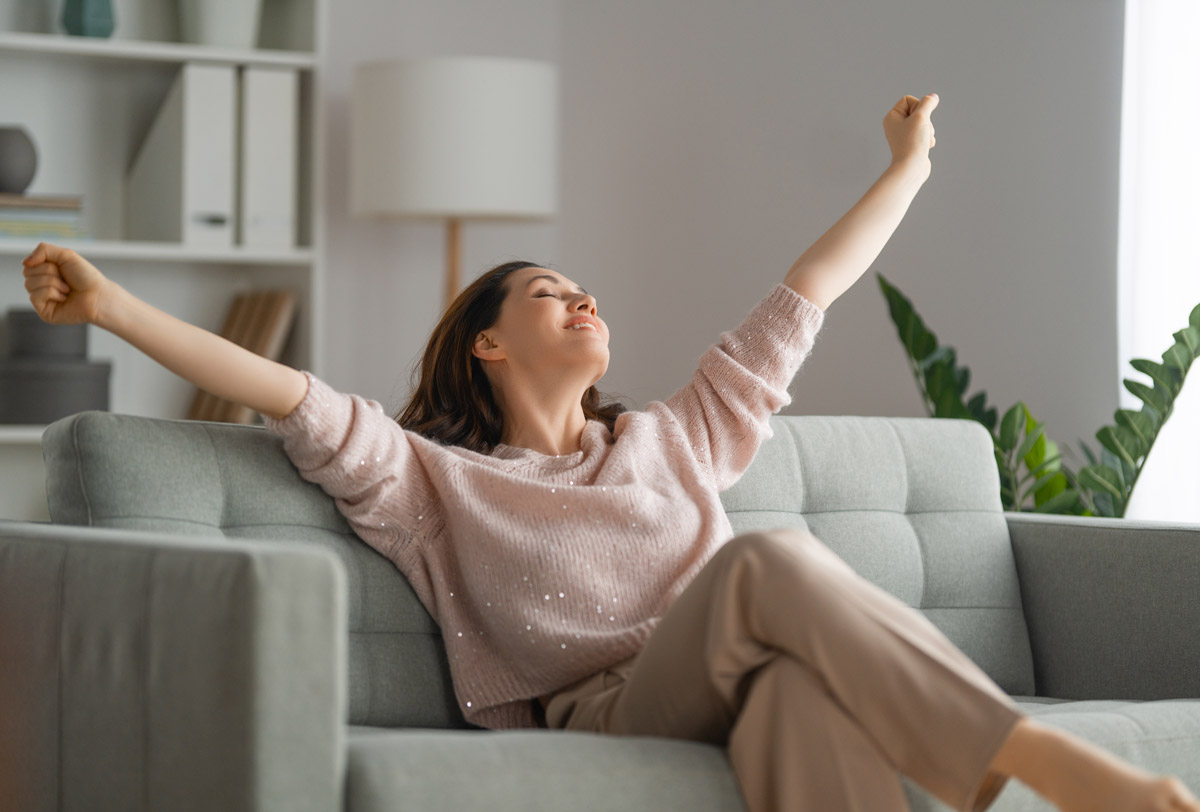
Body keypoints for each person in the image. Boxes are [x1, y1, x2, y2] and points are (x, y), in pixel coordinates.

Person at [20, 93, 1198, 812]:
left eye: (587, 290)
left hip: (732, 682)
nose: (582, 300)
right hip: (609, 705)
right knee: (764, 566)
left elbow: (810, 292)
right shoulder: (434, 482)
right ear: (486, 342)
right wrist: (114, 307)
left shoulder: (674, 437)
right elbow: (285, 390)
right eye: (548, 293)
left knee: (796, 697)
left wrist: (906, 168)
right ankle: (1041, 758)